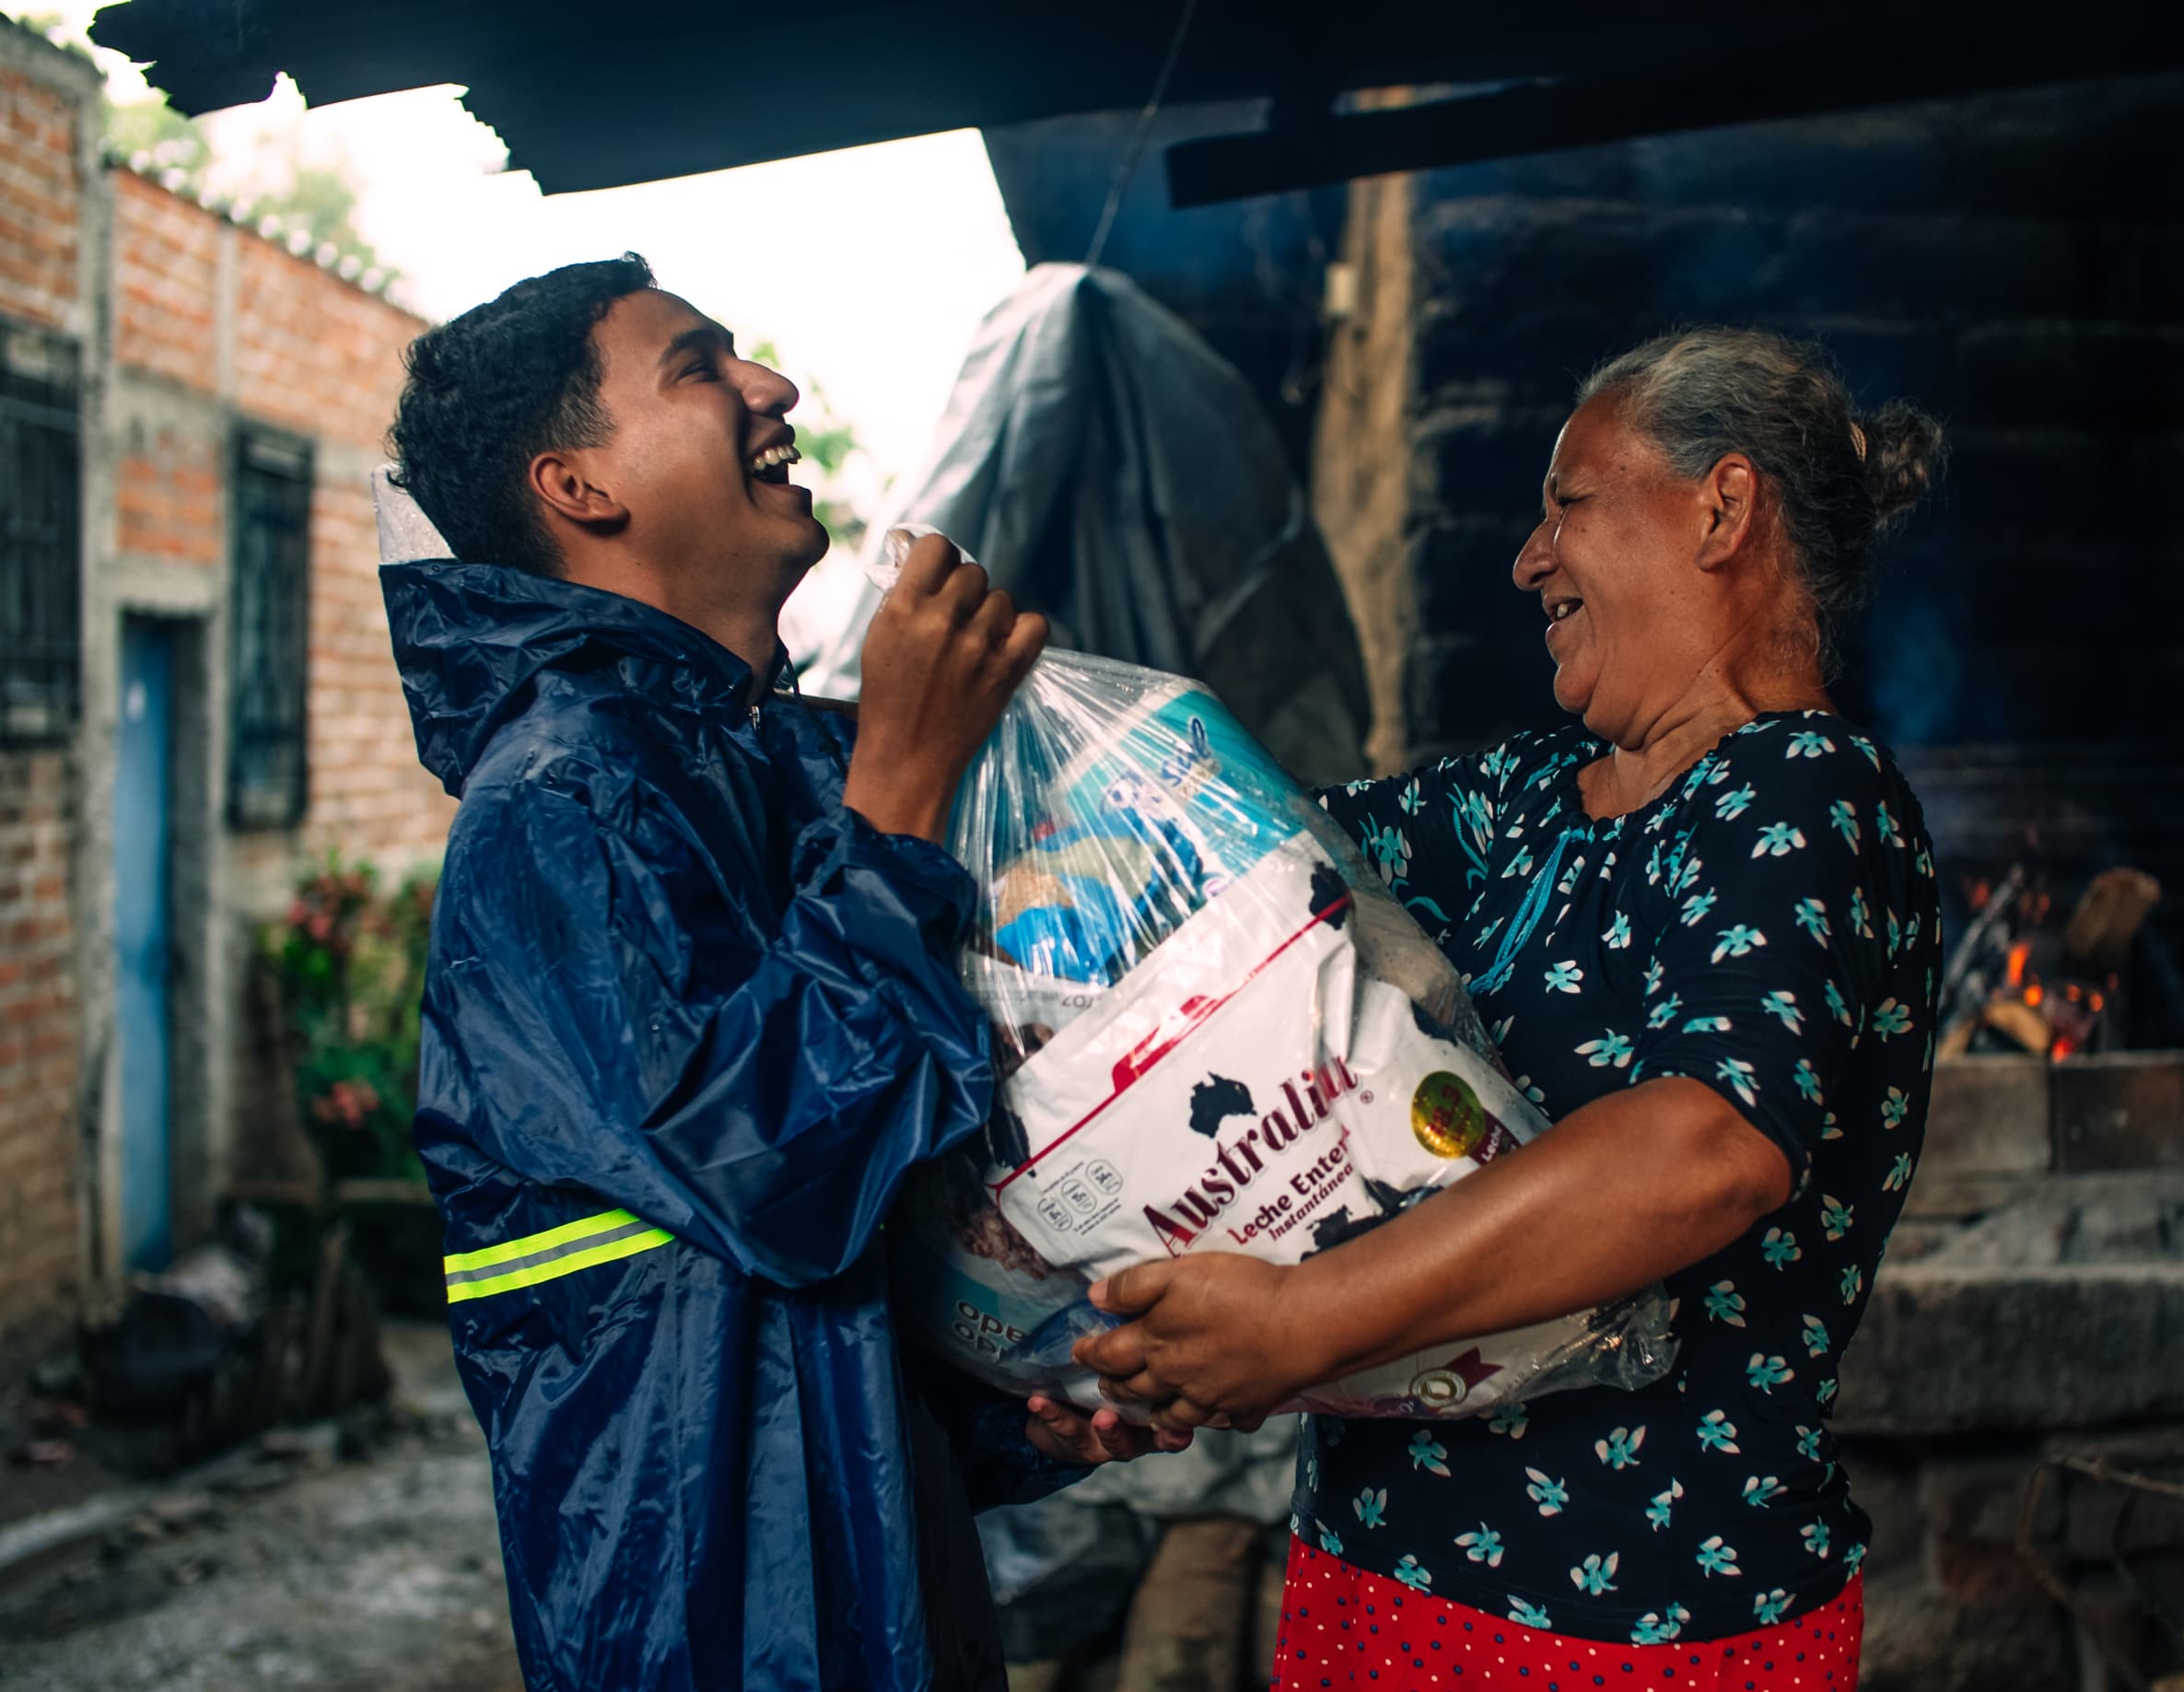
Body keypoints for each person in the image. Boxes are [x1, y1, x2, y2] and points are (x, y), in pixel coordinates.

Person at [1075, 326, 1947, 1687]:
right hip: (1373, 1578)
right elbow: (1240, 885)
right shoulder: (1519, 800)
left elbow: (1704, 1149)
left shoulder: (1806, 792)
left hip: (1633, 1626)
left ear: (1722, 510)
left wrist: (1299, 1324)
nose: (1529, 558)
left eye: (1568, 505)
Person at [381, 253, 1177, 1692]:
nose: (772, 387)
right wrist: (905, 794)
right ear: (579, 487)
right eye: (699, 366)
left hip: (889, 1606)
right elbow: (778, 1172)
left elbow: (827, 1269)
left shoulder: (769, 768)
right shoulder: (559, 801)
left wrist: (1017, 1402)